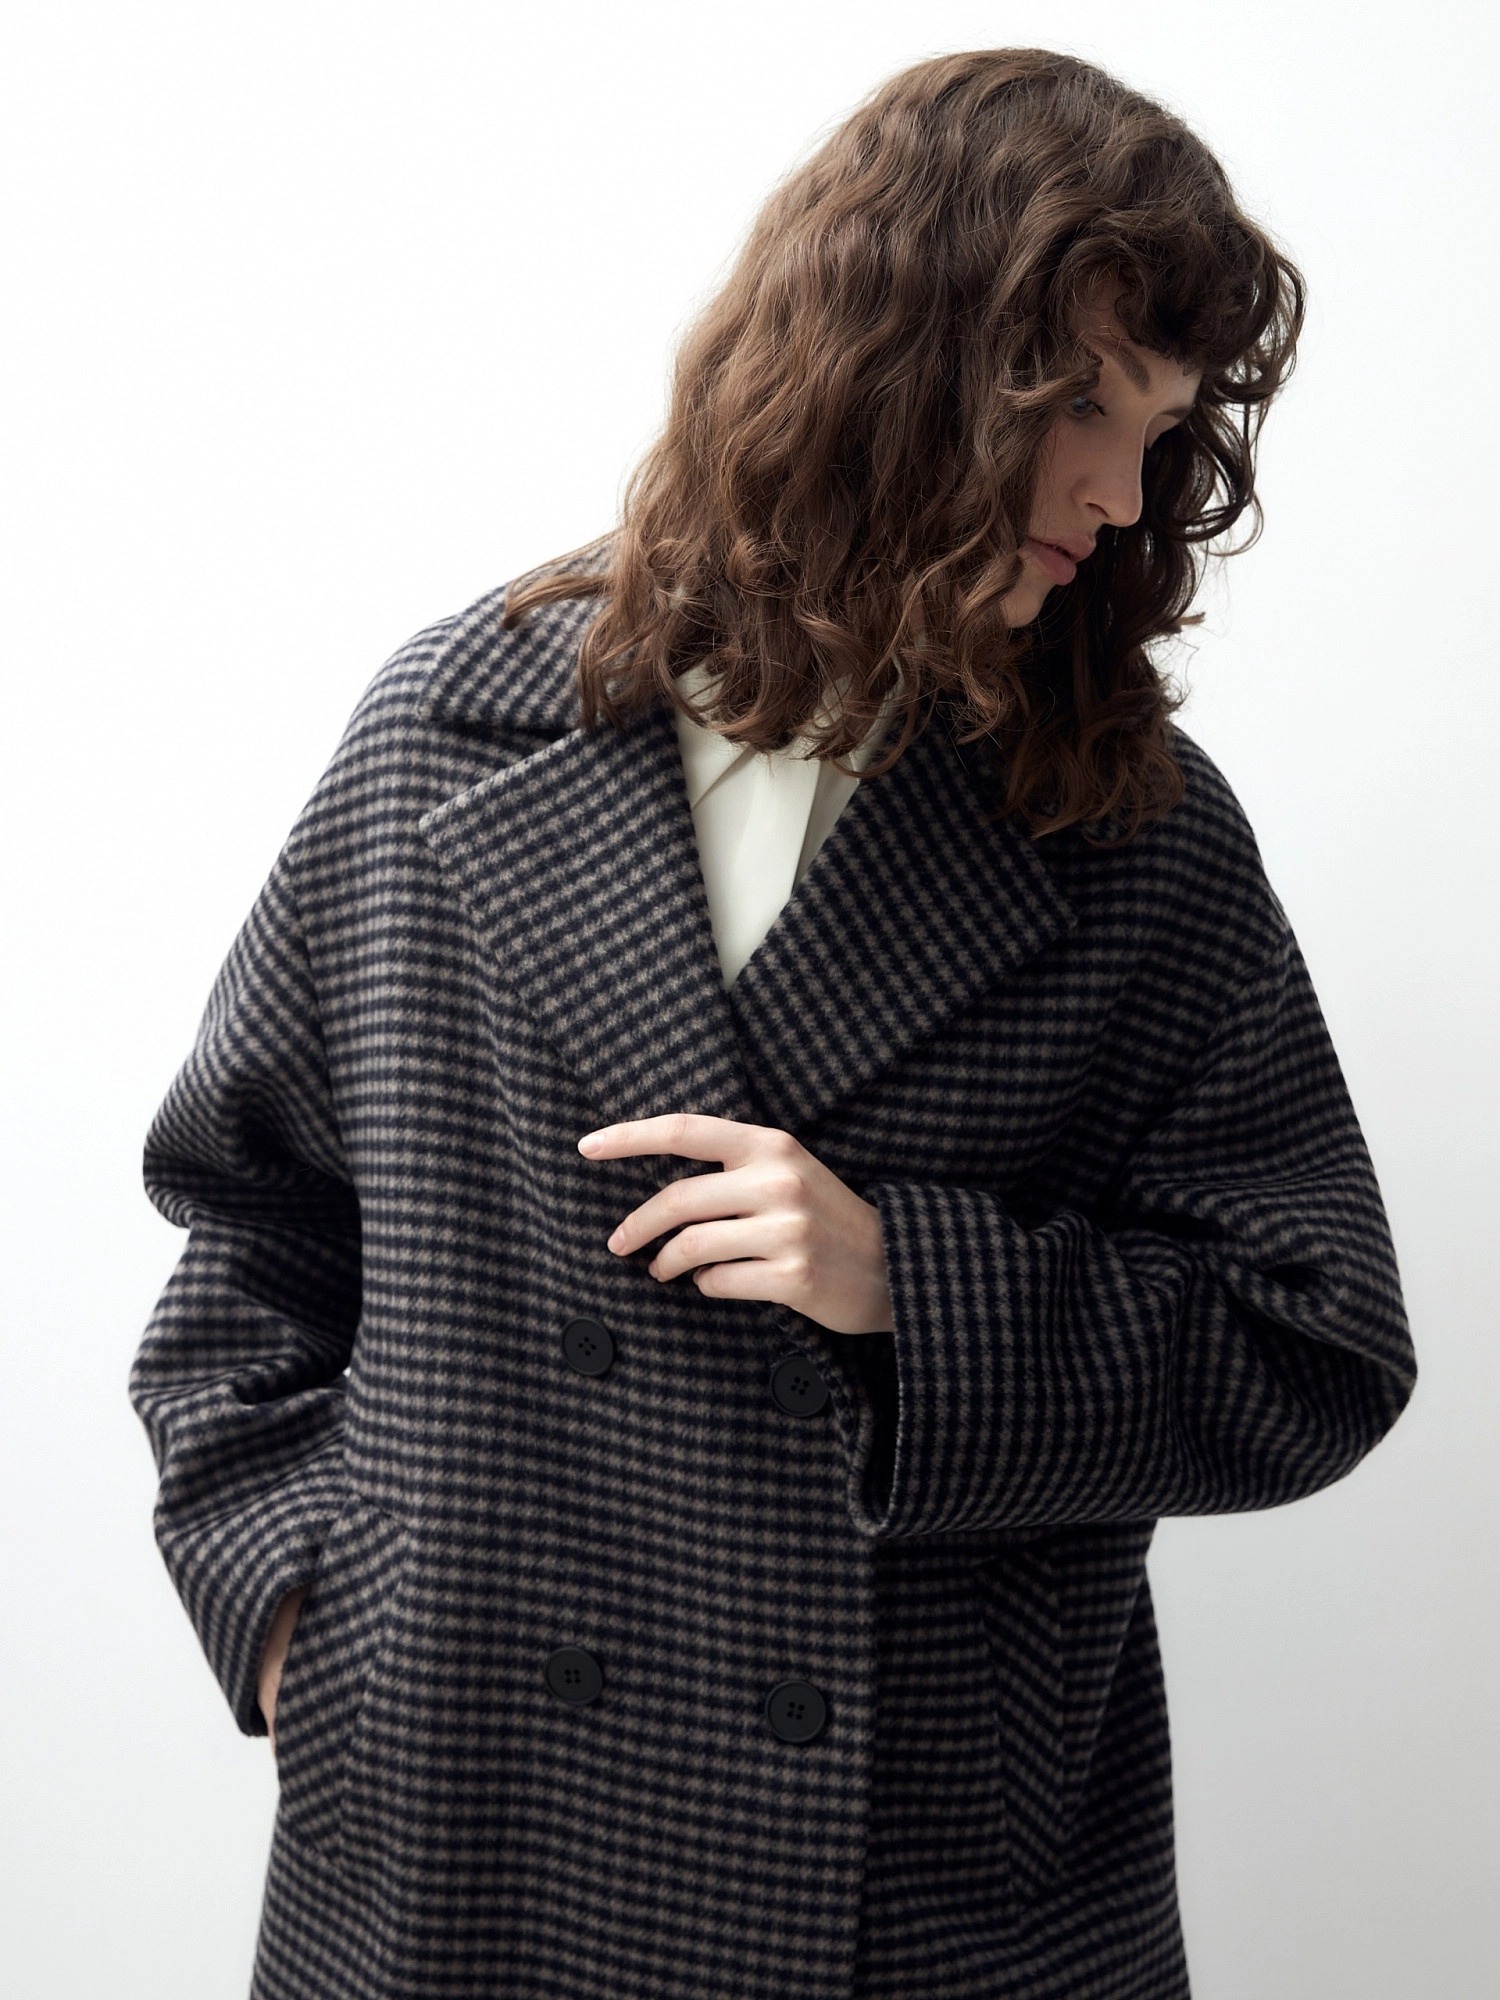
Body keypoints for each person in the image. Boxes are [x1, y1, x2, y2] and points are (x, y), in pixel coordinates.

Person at [129, 46, 1417, 2000]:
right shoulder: (446, 736)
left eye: (1160, 432)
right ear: (898, 361)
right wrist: (299, 1615)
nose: (1118, 490)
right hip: (465, 1833)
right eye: (1078, 403)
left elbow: (1317, 1343)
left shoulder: (1127, 829)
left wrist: (911, 1286)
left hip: (930, 1886)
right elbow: (246, 1235)